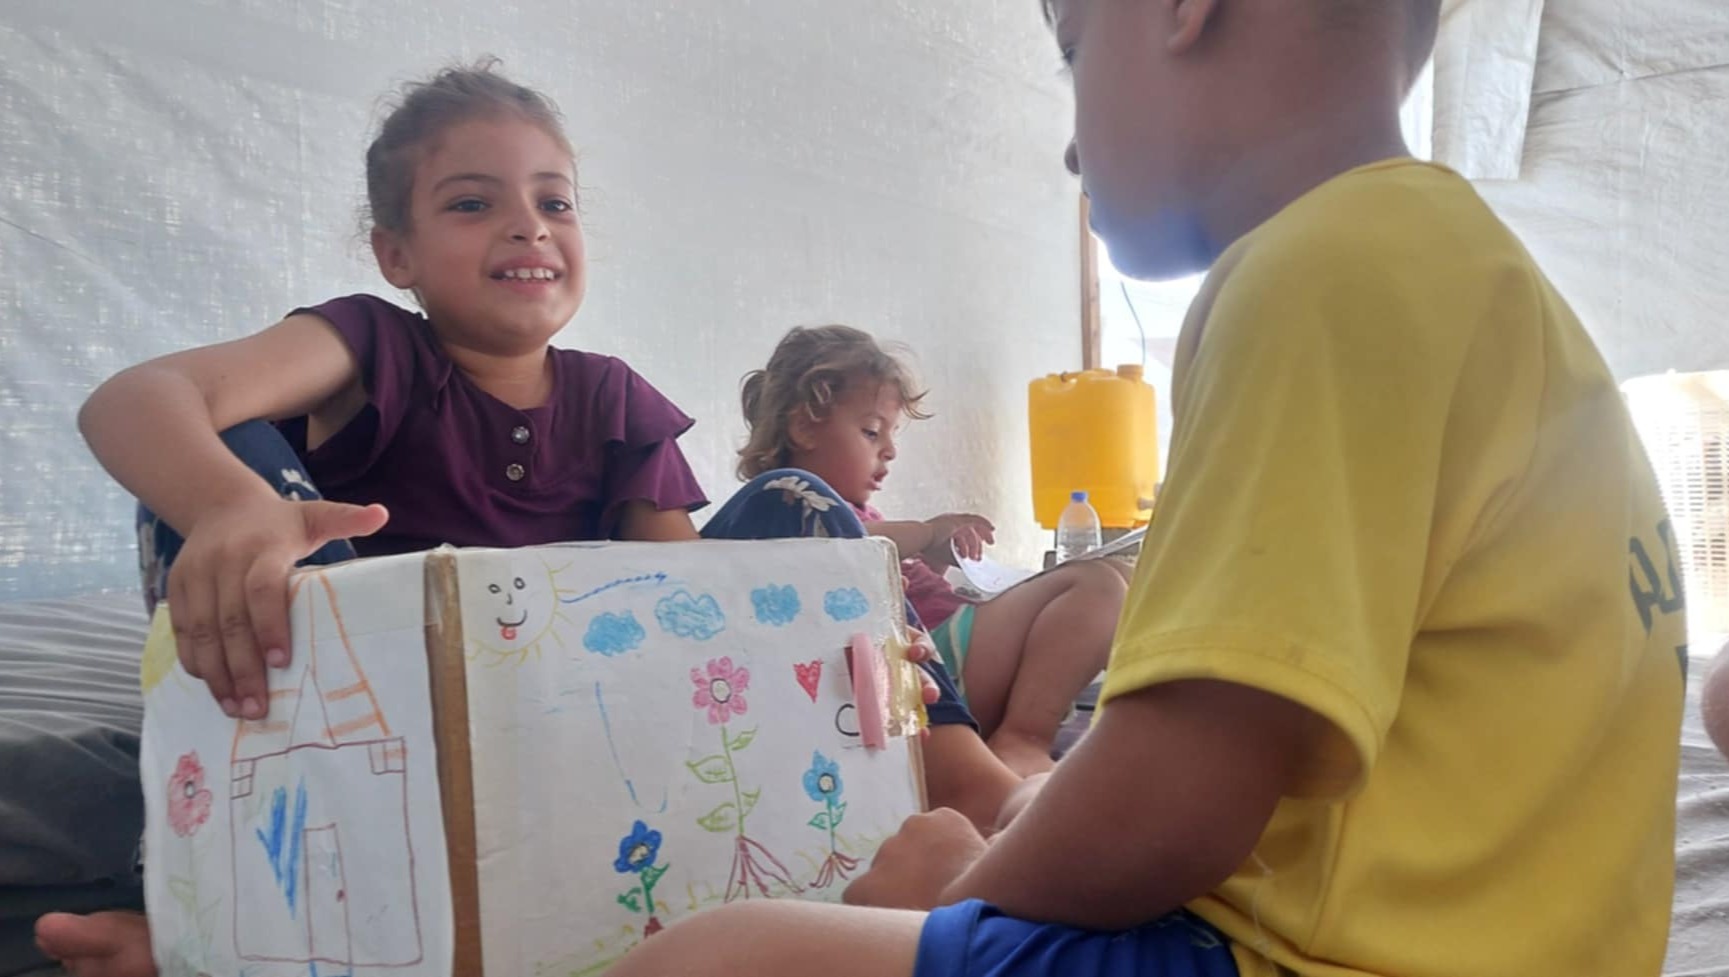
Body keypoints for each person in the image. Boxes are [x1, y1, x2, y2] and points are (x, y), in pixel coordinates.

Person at [604, 2, 1687, 976]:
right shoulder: (1491, 289)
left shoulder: (1317, 271)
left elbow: (1173, 803)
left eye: (1073, 53)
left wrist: (952, 893)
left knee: (717, 954)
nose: (1073, 146)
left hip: (1316, 957)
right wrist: (1036, 814)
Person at [37, 60, 717, 977]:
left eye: (555, 202)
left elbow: (693, 609)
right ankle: (202, 902)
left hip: (544, 745)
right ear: (396, 255)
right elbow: (135, 398)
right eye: (472, 203)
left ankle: (942, 784)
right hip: (343, 731)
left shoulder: (615, 399)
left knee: (799, 507)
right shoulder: (374, 344)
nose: (529, 224)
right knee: (225, 445)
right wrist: (235, 508)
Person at [735, 324, 1128, 775]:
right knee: (1097, 586)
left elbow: (898, 590)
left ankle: (1024, 731)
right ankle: (1024, 738)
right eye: (871, 432)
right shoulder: (791, 505)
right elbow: (845, 551)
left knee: (1120, 576)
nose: (890, 451)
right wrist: (927, 533)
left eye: (891, 435)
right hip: (931, 667)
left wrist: (935, 562)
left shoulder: (861, 512)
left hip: (946, 652)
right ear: (804, 427)